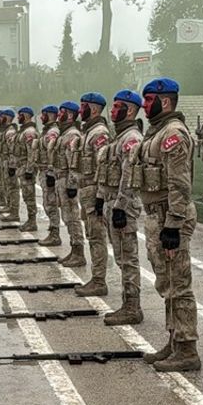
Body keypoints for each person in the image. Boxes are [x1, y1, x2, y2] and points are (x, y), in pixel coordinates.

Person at [134, 78, 200, 372]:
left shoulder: (173, 134)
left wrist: (173, 224)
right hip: (157, 215)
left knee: (179, 283)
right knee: (167, 282)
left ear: (166, 101)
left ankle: (187, 348)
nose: (145, 105)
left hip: (170, 216)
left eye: (149, 100)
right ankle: (175, 340)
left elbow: (179, 183)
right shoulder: (157, 132)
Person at [106, 89, 145, 325]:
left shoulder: (131, 138)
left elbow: (129, 175)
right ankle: (128, 304)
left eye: (116, 106)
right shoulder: (120, 136)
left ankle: (132, 307)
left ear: (130, 110)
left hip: (125, 206)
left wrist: (120, 206)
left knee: (128, 258)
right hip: (115, 204)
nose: (112, 111)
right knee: (122, 257)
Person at [75, 92, 112, 296]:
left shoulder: (99, 133)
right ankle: (96, 278)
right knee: (92, 236)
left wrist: (100, 196)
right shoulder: (88, 131)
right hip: (87, 191)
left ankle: (99, 281)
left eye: (84, 106)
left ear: (95, 109)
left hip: (94, 192)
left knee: (97, 237)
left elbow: (103, 166)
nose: (81, 110)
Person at [55, 101, 87, 268]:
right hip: (62, 180)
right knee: (67, 217)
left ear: (69, 115)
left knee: (73, 217)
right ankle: (74, 251)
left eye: (62, 112)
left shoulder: (71, 135)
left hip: (68, 183)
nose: (59, 115)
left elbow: (73, 163)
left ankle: (79, 252)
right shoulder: (65, 133)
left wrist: (72, 186)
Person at [37, 105, 63, 246]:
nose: (42, 117)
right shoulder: (47, 131)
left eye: (44, 114)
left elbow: (53, 153)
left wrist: (51, 173)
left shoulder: (53, 132)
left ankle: (55, 234)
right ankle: (53, 232)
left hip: (49, 173)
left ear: (51, 115)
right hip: (45, 172)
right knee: (48, 203)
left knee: (51, 204)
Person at [15, 107, 39, 232]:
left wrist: (29, 170)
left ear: (26, 116)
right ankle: (30, 220)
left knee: (29, 196)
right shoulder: (24, 131)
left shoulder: (29, 132)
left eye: (20, 115)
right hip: (22, 168)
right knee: (26, 195)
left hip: (26, 169)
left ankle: (32, 221)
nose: (18, 118)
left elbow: (32, 153)